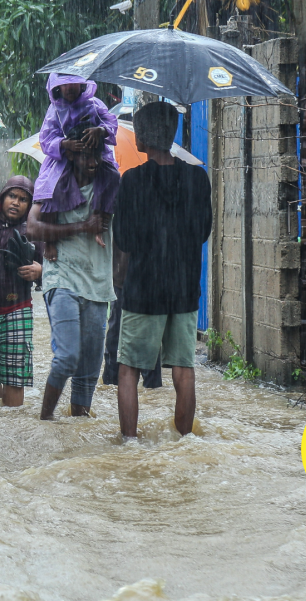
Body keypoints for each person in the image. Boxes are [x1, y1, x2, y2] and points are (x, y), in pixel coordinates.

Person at [113, 101, 212, 438]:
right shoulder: (197, 178)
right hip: (184, 289)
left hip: (143, 289)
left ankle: (129, 443)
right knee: (184, 369)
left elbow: (124, 239)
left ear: (142, 137)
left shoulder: (132, 181)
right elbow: (202, 232)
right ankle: (184, 442)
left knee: (128, 369)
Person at [27, 126, 120, 420]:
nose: (92, 161)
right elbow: (32, 228)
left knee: (88, 372)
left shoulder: (110, 185)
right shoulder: (54, 183)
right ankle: (45, 421)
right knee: (67, 357)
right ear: (70, 154)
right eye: (85, 154)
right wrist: (82, 227)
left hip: (98, 283)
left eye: (97, 154)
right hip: (62, 276)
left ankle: (78, 430)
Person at [33, 74, 119, 262]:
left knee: (112, 176)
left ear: (83, 84)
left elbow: (111, 122)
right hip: (64, 158)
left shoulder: (94, 104)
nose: (70, 88)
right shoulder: (55, 110)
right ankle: (49, 241)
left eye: (74, 83)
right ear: (57, 87)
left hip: (95, 154)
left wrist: (100, 130)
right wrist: (64, 144)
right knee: (51, 188)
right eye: (65, 85)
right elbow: (46, 139)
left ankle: (100, 220)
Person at [0, 176, 43, 407]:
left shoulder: (33, 230)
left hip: (18, 309)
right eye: (12, 196)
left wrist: (40, 270)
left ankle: (11, 420)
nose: (16, 202)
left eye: (23, 199)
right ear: (1, 198)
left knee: (15, 377)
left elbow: (53, 266)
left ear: (30, 205)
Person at [102, 246, 163, 389]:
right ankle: (111, 383)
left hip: (149, 280)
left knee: (149, 336)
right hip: (121, 278)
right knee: (116, 333)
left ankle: (152, 387)